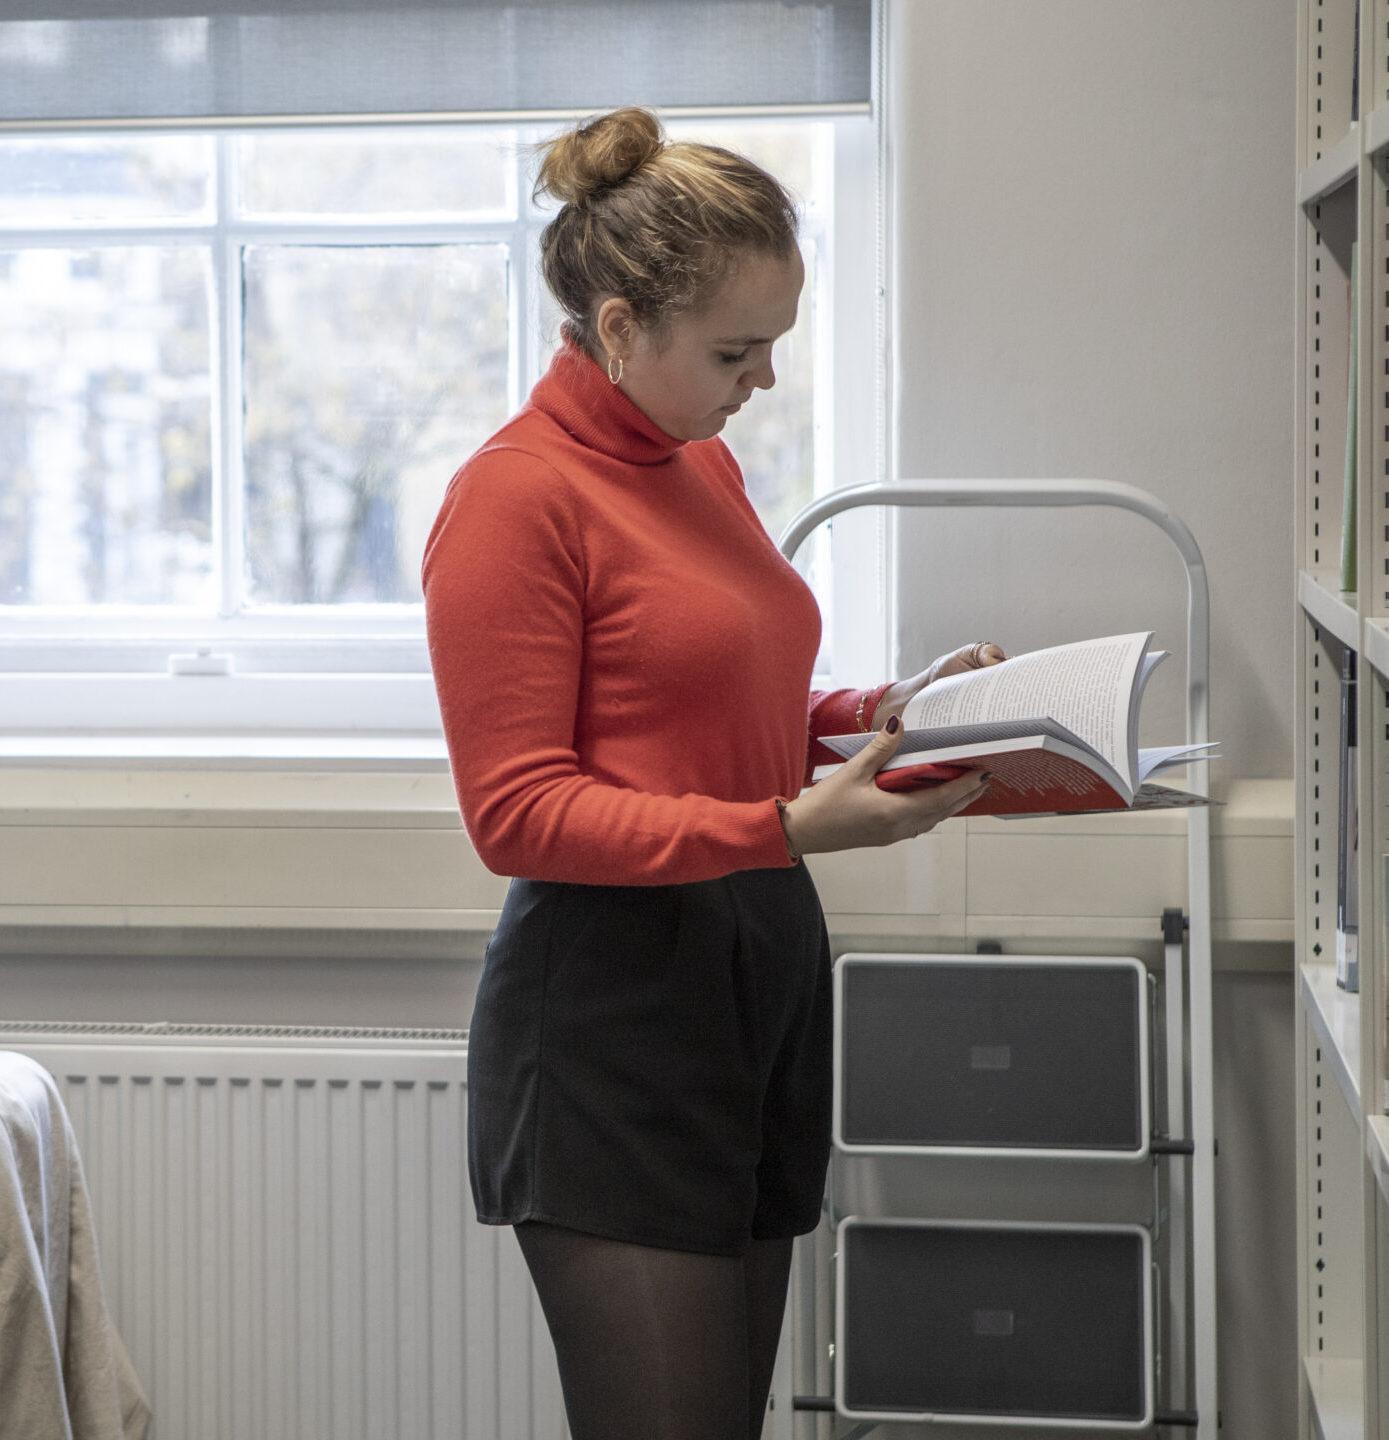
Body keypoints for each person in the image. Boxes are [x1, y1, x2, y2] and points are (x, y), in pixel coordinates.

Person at [422, 107, 1009, 1440]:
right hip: (615, 1015)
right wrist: (791, 822)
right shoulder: (515, 498)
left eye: (774, 348)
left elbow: (710, 694)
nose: (764, 383)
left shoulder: (699, 461)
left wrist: (876, 709)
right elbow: (517, 811)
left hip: (754, 982)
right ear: (620, 328)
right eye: (737, 352)